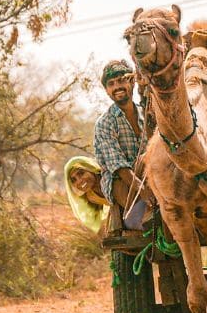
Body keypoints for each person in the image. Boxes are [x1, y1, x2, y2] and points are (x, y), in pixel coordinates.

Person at [93, 59, 148, 228]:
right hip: (122, 181)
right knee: (142, 218)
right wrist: (144, 191)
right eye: (111, 84)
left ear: (131, 82)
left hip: (149, 174)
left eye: (121, 80)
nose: (117, 87)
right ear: (107, 90)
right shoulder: (105, 123)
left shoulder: (147, 113)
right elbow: (119, 167)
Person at [63, 156, 109, 235]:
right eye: (74, 180)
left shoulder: (110, 178)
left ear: (91, 168)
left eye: (81, 173)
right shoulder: (91, 197)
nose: (79, 181)